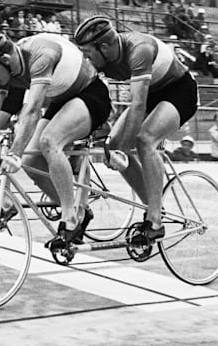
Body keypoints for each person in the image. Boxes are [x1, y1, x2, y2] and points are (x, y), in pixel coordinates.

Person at [0, 31, 112, 249]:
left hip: (91, 94)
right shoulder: (4, 68)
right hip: (62, 99)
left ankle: (70, 220)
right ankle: (78, 210)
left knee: (49, 141)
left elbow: (32, 111)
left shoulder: (41, 54)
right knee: (31, 161)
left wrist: (14, 153)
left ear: (5, 60)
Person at [73, 16, 198, 243]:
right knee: (111, 147)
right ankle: (154, 207)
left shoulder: (139, 49)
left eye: (88, 52)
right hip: (150, 94)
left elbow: (138, 105)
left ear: (104, 47)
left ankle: (155, 221)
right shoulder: (101, 57)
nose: (86, 57)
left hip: (179, 91)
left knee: (145, 140)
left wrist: (123, 149)